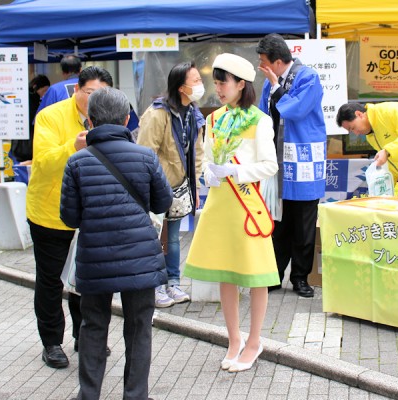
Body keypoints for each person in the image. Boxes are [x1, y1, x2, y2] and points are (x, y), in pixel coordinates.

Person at [61, 87, 172, 400]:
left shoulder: (77, 162)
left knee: (93, 326)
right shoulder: (146, 156)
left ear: (90, 122)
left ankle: (89, 395)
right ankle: (135, 395)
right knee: (139, 326)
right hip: (140, 256)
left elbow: (70, 217)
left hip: (95, 258)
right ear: (126, 119)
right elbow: (163, 201)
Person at [184, 53, 279, 373]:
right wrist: (208, 174)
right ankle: (234, 339)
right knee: (226, 273)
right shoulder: (213, 119)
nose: (219, 88)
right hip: (220, 204)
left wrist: (235, 172)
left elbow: (270, 165)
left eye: (224, 82)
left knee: (255, 275)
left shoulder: (260, 120)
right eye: (217, 82)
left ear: (241, 84)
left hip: (246, 204)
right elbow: (206, 159)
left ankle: (254, 341)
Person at [26, 66, 113, 369]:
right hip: (50, 213)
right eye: (89, 93)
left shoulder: (108, 118)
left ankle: (85, 336)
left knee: (86, 280)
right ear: (77, 88)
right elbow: (44, 164)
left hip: (89, 215)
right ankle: (51, 342)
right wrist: (72, 147)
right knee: (50, 282)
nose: (94, 100)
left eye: (100, 94)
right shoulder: (50, 116)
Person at [256, 33, 326, 298]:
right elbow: (264, 118)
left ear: (275, 62)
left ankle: (300, 278)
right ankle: (274, 275)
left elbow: (294, 110)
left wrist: (276, 88)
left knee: (304, 224)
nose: (261, 67)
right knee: (278, 223)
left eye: (263, 62)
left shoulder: (308, 77)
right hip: (278, 160)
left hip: (304, 160)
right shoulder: (267, 85)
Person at [137, 61, 205, 308]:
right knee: (156, 238)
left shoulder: (193, 114)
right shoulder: (157, 114)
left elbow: (197, 152)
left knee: (173, 238)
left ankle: (173, 283)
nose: (200, 85)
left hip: (180, 187)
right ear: (180, 86)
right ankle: (155, 287)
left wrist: (194, 186)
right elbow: (146, 153)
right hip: (156, 187)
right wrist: (153, 187)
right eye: (195, 81)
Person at [10, 74, 51, 163]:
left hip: (19, 146)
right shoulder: (31, 100)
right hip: (26, 147)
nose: (44, 94)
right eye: (44, 91)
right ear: (36, 87)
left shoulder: (28, 97)